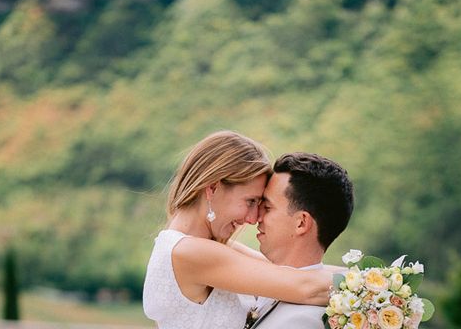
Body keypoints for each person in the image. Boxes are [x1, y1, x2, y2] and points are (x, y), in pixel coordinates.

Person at [143, 131, 335, 329]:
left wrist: (364, 273)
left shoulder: (203, 247)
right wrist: (365, 286)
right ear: (213, 188)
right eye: (250, 201)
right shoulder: (189, 252)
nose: (252, 218)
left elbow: (299, 273)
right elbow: (305, 287)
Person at [247, 152, 354, 328]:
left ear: (301, 223)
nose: (256, 216)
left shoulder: (307, 321)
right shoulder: (268, 282)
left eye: (267, 207)